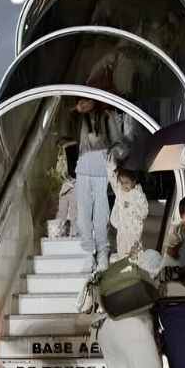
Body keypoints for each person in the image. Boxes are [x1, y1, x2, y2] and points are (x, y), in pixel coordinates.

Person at [70, 95, 128, 271]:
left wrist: (113, 154)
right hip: (83, 166)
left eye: (87, 100)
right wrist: (75, 111)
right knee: (83, 214)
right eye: (81, 100)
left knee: (101, 213)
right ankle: (88, 253)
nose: (84, 103)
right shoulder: (77, 118)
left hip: (102, 166)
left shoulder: (106, 116)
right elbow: (65, 135)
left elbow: (120, 145)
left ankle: (102, 251)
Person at [110, 165, 149, 260]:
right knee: (122, 249)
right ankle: (123, 262)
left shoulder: (138, 194)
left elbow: (144, 211)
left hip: (134, 229)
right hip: (123, 229)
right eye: (122, 183)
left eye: (127, 182)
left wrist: (133, 206)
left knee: (134, 250)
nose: (124, 185)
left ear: (134, 181)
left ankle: (134, 264)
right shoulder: (120, 193)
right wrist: (116, 221)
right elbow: (117, 206)